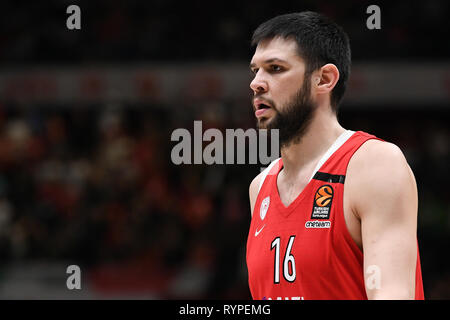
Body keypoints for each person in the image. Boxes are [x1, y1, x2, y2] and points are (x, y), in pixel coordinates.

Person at [246, 11, 424, 300]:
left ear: (324, 79)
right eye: (255, 71)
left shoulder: (374, 165)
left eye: (275, 68)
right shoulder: (260, 187)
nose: (257, 83)